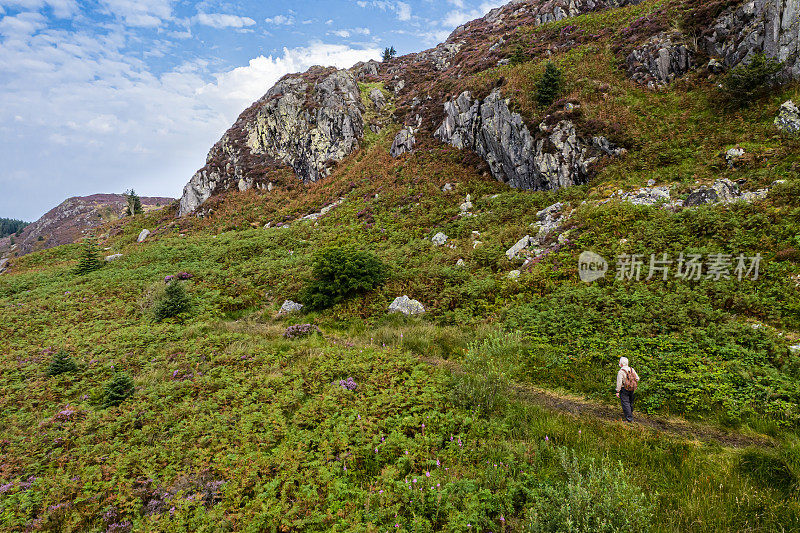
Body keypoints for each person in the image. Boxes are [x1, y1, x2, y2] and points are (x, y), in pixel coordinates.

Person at [615, 357, 639, 422]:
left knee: (625, 403)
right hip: (632, 388)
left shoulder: (621, 371)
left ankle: (629, 419)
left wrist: (617, 391)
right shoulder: (632, 369)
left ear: (621, 363)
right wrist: (632, 384)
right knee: (630, 402)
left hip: (624, 389)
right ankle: (630, 413)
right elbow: (637, 378)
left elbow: (619, 383)